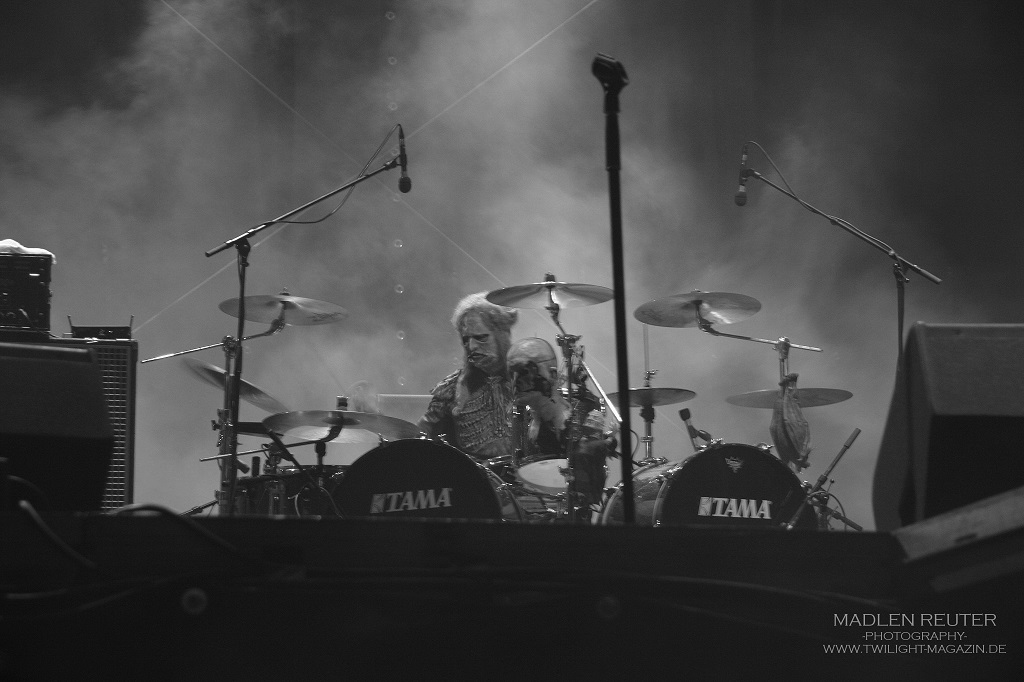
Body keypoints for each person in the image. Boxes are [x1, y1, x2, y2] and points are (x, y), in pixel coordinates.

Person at [418, 292, 613, 520]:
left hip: (539, 497)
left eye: (481, 338)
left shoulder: (538, 380)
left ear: (502, 333)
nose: (471, 346)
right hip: (474, 500)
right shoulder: (450, 390)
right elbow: (419, 440)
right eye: (465, 340)